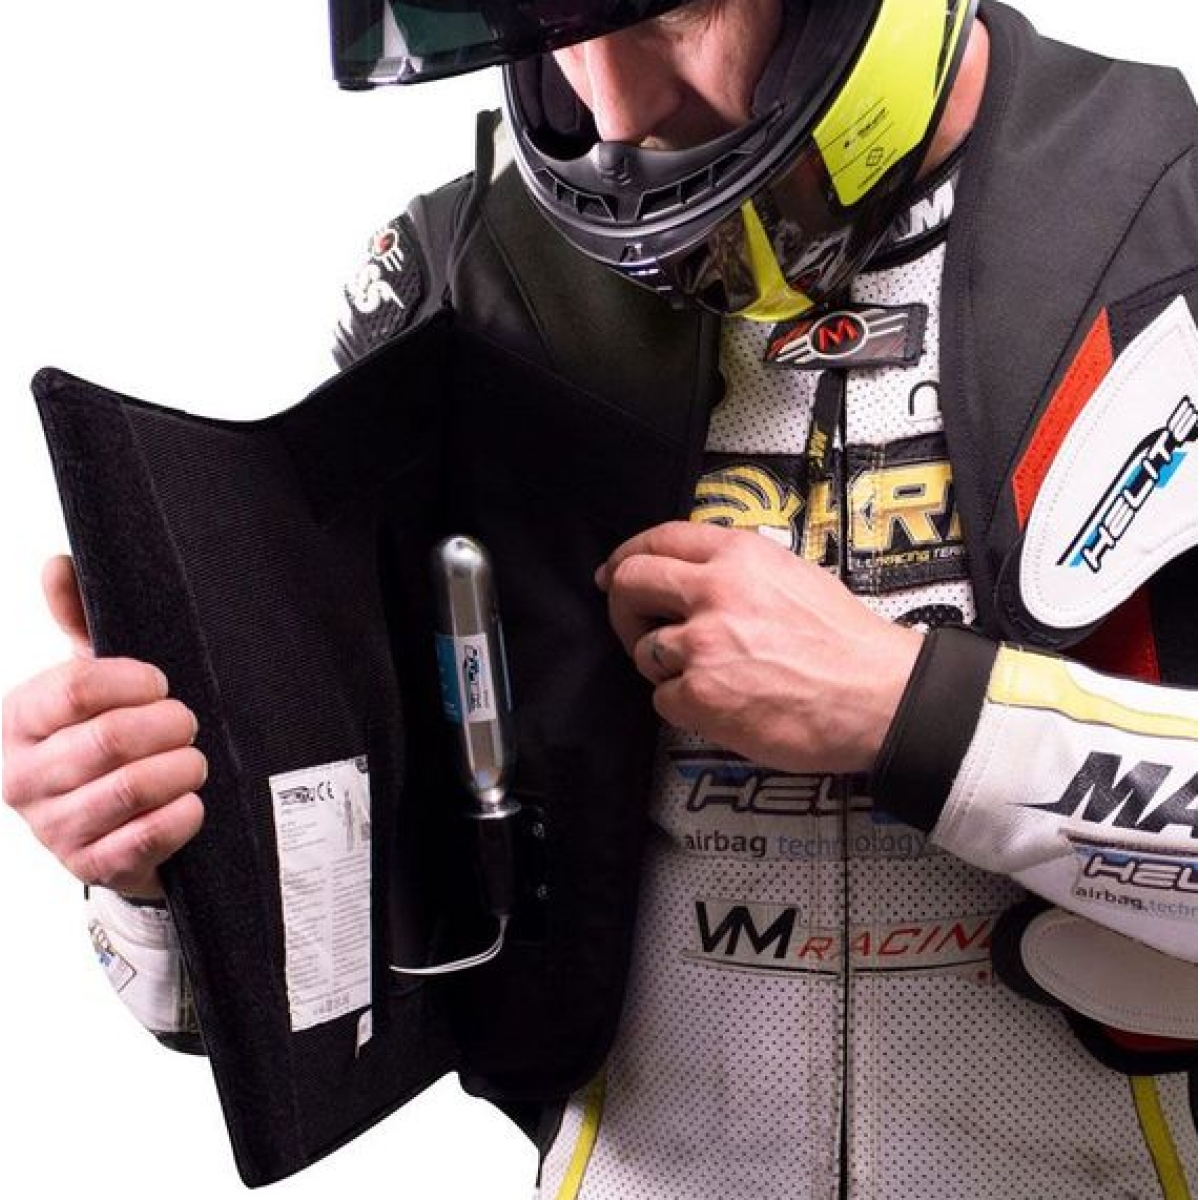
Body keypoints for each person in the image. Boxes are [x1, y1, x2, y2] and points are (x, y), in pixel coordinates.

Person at [2, 2, 1196, 1197]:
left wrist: (912, 713)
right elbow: (322, 982)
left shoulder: (1170, 221)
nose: (615, 110)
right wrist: (153, 866)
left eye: (671, 9)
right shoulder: (465, 291)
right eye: (546, 18)